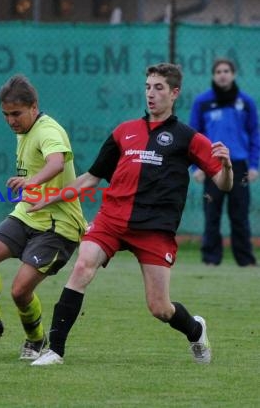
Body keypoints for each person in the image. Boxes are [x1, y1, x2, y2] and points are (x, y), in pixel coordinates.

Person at [27, 63, 233, 366]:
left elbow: (222, 185)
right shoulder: (124, 132)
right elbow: (90, 178)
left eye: (159, 88)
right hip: (112, 219)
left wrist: (227, 166)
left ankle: (195, 328)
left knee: (160, 308)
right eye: (148, 86)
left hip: (154, 229)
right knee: (83, 266)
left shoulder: (189, 138)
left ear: (175, 93)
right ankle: (55, 350)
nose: (151, 94)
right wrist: (49, 198)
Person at [0, 74, 87, 360]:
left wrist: (32, 182)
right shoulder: (23, 130)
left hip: (58, 226)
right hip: (28, 214)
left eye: (16, 114)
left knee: (20, 291)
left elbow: (57, 163)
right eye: (6, 115)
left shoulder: (49, 130)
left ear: (34, 107)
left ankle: (35, 340)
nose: (11, 121)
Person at [189, 58, 259, 267]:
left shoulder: (246, 102)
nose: (222, 74)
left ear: (234, 74)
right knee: (212, 215)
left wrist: (254, 165)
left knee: (240, 216)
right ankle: (211, 259)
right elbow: (193, 136)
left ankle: (245, 261)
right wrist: (196, 166)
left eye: (226, 70)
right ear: (213, 75)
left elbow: (255, 135)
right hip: (212, 167)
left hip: (239, 166)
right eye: (218, 71)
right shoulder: (202, 102)